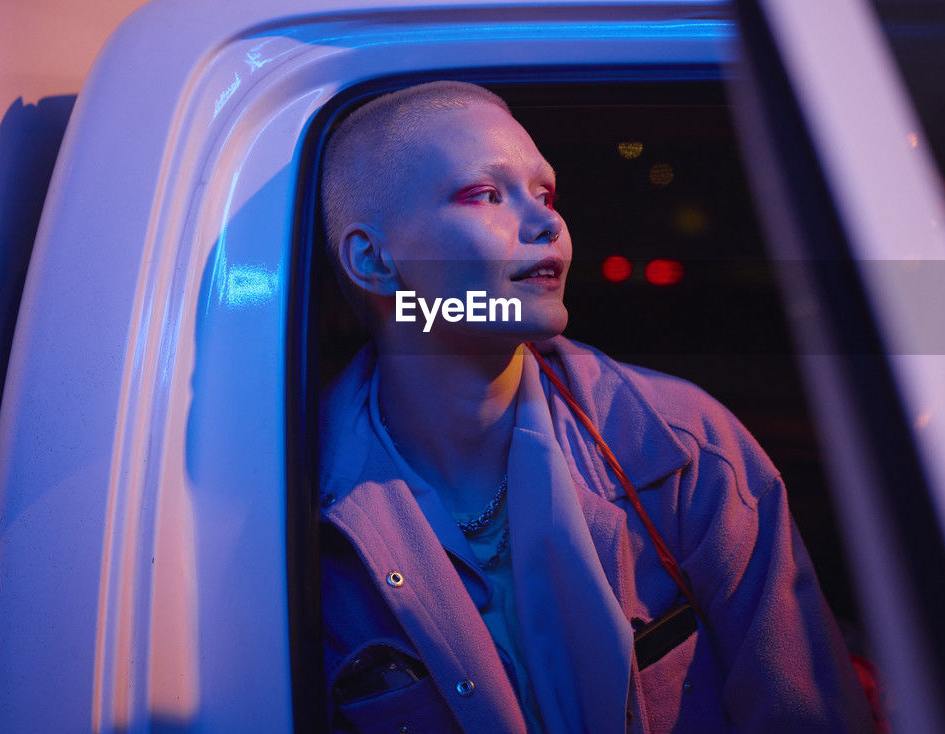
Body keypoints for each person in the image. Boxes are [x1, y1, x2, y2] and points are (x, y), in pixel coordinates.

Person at [317, 80, 876, 732]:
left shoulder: (682, 444)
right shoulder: (297, 508)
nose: (547, 221)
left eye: (546, 193)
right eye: (486, 194)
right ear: (373, 260)